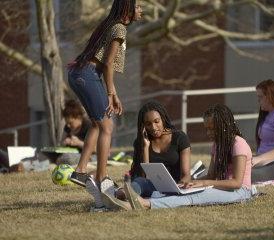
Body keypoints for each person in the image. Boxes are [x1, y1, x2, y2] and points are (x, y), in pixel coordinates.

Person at [101, 104, 253, 210]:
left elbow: (237, 183)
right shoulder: (218, 145)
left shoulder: (238, 144)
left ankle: (146, 204)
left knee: (197, 196)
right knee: (187, 191)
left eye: (212, 129)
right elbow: (212, 175)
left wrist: (204, 183)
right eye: (207, 129)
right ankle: (128, 202)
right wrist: (192, 183)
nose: (209, 133)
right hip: (221, 188)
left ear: (224, 125)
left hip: (240, 192)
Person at [67, 0, 142, 188]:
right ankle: (102, 178)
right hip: (87, 74)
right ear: (128, 9)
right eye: (138, 6)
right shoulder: (120, 29)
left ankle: (80, 171)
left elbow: (105, 66)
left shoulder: (109, 24)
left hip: (78, 73)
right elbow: (108, 63)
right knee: (107, 126)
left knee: (96, 124)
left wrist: (113, 93)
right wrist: (110, 94)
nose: (141, 10)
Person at [126, 100, 191, 197]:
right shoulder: (141, 142)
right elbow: (143, 177)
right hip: (151, 188)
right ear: (143, 126)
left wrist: (180, 186)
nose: (153, 127)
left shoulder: (180, 138)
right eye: (148, 124)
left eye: (157, 121)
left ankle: (123, 195)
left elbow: (186, 175)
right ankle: (118, 195)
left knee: (135, 188)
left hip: (177, 187)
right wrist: (145, 148)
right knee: (138, 183)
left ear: (163, 119)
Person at [56, 100, 94, 165]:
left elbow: (96, 149)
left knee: (68, 158)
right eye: (67, 123)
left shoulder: (89, 126)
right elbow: (61, 143)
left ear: (79, 117)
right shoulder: (67, 128)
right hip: (71, 154)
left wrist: (78, 143)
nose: (68, 125)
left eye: (70, 123)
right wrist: (65, 142)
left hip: (89, 156)